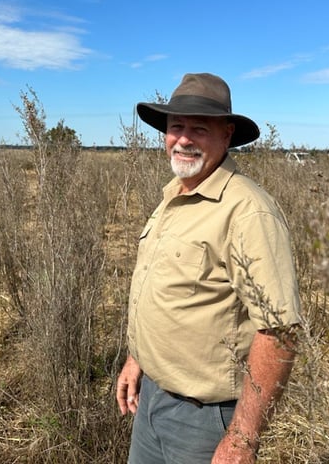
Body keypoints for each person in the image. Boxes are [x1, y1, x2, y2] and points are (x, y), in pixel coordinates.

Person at [116, 73, 301, 463]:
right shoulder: (174, 195)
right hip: (151, 400)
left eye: (199, 128)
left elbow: (279, 330)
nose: (183, 139)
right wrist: (138, 359)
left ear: (227, 134)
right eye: (176, 126)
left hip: (207, 420)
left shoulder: (248, 211)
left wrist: (243, 437)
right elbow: (164, 291)